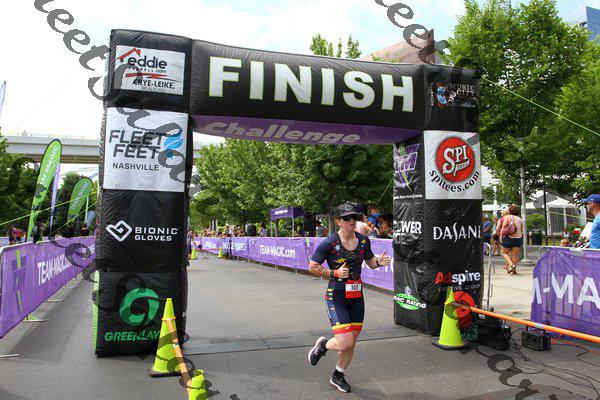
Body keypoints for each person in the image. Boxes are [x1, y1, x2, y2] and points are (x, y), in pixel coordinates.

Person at [307, 202, 390, 393]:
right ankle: (323, 345)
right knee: (346, 343)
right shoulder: (329, 243)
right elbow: (312, 267)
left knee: (351, 341)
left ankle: (338, 375)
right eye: (346, 218)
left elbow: (370, 262)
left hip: (356, 296)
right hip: (336, 295)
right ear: (338, 221)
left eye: (354, 217)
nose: (351, 221)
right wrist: (334, 273)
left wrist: (379, 262)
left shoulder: (363, 240)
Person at [499, 205, 523, 275]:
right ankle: (513, 271)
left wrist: (501, 237)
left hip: (508, 238)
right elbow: (521, 230)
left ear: (510, 211)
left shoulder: (508, 217)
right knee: (515, 255)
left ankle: (511, 265)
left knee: (504, 253)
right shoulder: (520, 219)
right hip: (518, 239)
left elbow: (503, 228)